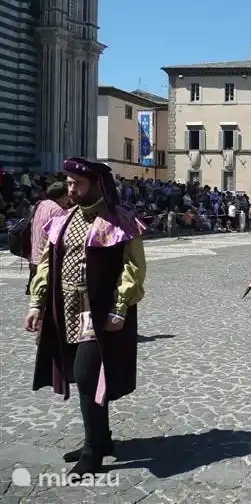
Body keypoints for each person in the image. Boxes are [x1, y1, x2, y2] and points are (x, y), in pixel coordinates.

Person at [24, 158, 147, 475]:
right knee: (82, 375)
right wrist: (37, 303)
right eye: (68, 183)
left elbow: (133, 269)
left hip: (97, 311)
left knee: (87, 375)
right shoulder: (63, 220)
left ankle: (93, 452)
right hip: (65, 309)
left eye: (77, 184)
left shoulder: (118, 221)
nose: (71, 189)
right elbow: (47, 265)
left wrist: (120, 307)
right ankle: (101, 438)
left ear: (95, 185)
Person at [26, 181, 69, 295]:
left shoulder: (41, 204)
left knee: (37, 299)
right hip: (47, 263)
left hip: (34, 259)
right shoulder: (57, 211)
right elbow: (64, 238)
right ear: (63, 195)